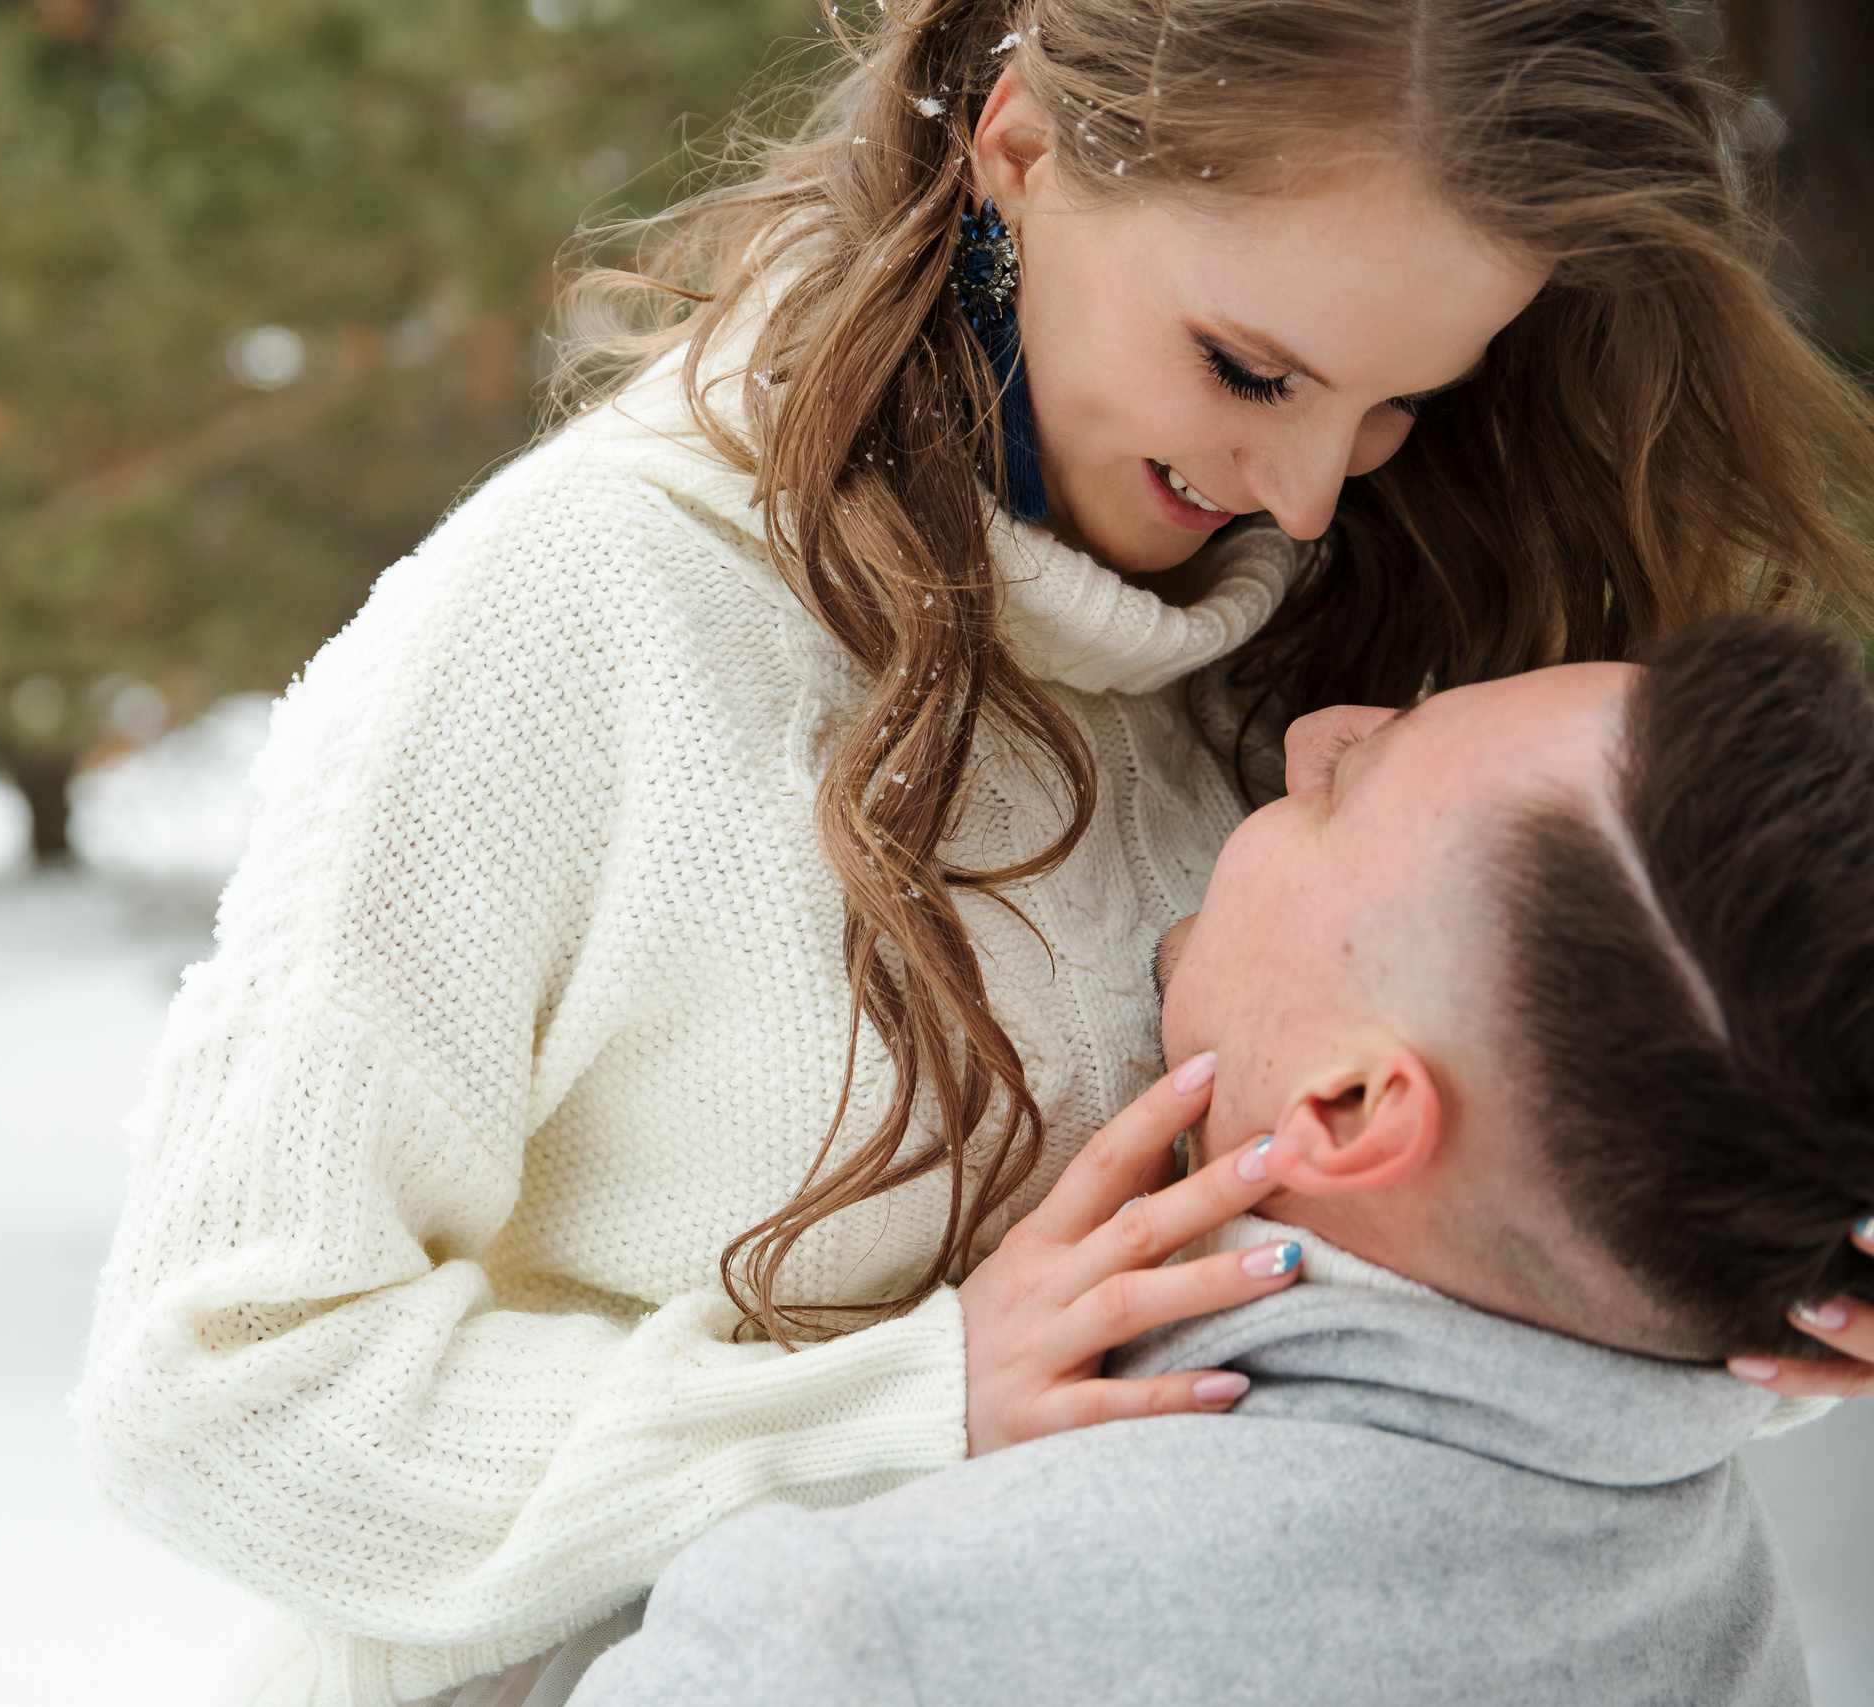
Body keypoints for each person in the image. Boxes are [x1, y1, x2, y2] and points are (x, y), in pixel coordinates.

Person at [74, 4, 1874, 1702]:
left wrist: (1711, 1281)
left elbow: (1417, 1237)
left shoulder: (1343, 647)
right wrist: (895, 1406)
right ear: (1021, 145)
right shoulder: (586, 618)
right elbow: (218, 1394)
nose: (1314, 487)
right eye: (1250, 368)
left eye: (1403, 403)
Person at [571, 613, 1874, 1707]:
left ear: (1348, 1109)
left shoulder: (861, 1641)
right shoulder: (1730, 1628)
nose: (1311, 743)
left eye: (1351, 791)